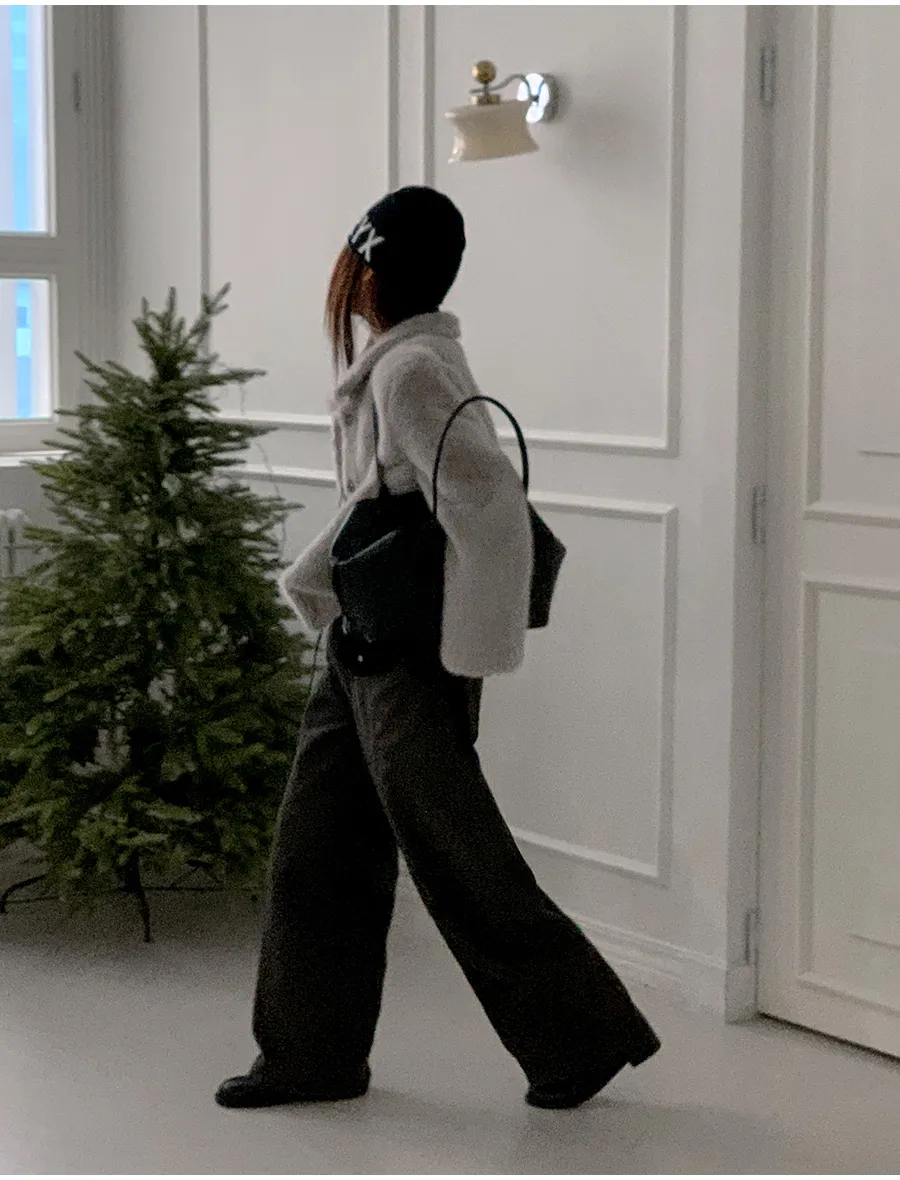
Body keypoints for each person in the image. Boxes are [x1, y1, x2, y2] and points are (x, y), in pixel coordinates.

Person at [216, 186, 660, 1112]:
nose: (343, 279)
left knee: (458, 856)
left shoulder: (408, 370)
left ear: (373, 270)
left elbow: (489, 505)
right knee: (317, 847)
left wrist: (466, 652)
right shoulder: (404, 362)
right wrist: (320, 581)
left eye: (354, 263)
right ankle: (311, 1054)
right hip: (361, 645)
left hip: (407, 657)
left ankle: (581, 1038)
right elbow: (381, 503)